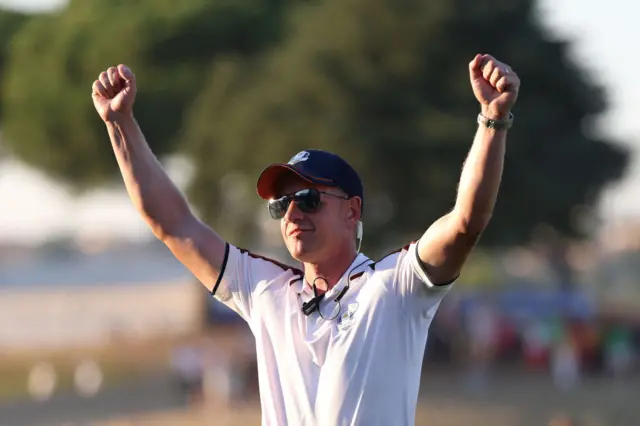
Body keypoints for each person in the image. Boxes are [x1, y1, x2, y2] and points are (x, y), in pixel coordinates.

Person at [91, 53, 520, 426]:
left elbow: (466, 221)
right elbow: (173, 224)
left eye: (309, 199)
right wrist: (119, 122)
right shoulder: (265, 290)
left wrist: (493, 120)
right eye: (281, 204)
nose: (292, 212)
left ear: (352, 211)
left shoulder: (394, 287)